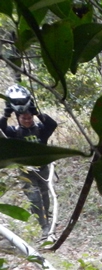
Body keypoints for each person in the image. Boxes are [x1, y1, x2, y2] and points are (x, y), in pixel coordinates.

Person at [1, 85, 58, 237]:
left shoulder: (41, 129)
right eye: (23, 118)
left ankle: (47, 219)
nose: (27, 120)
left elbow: (52, 124)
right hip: (26, 171)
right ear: (18, 119)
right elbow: (1, 129)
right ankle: (44, 227)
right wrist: (6, 115)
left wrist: (36, 112)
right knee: (34, 198)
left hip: (43, 169)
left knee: (45, 195)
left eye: (29, 118)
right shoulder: (13, 132)